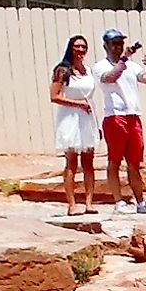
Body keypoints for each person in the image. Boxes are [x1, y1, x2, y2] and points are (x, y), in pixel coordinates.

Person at [97, 28, 146, 216]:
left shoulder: (131, 65)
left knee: (134, 163)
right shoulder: (101, 66)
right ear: (106, 46)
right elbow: (110, 78)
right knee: (114, 161)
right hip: (115, 116)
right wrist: (123, 60)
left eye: (120, 43)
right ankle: (118, 201)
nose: (118, 47)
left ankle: (140, 201)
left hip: (133, 116)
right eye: (114, 43)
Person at [49, 34, 100, 213]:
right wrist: (77, 104)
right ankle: (71, 204)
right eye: (77, 46)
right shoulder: (62, 70)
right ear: (71, 48)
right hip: (70, 116)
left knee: (88, 161)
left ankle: (89, 202)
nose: (80, 50)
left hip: (87, 117)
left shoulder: (88, 70)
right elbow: (54, 96)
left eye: (83, 47)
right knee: (71, 162)